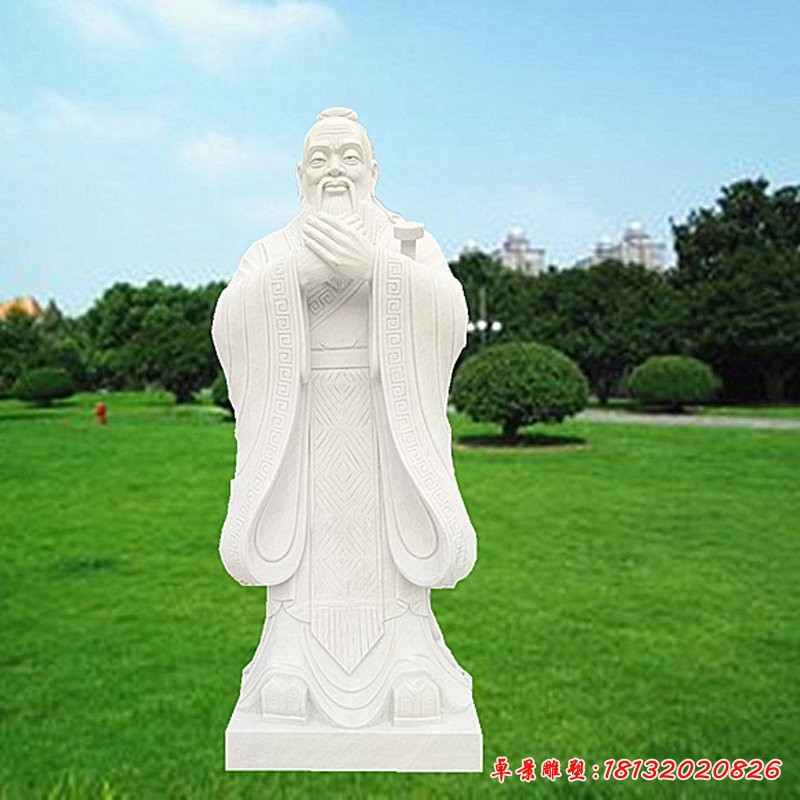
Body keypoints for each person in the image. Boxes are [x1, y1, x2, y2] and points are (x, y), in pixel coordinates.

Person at [212, 108, 477, 728]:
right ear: (299, 175)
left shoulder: (410, 244)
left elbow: (452, 317)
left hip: (386, 424)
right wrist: (292, 279)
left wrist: (379, 271)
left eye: (349, 157)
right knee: (306, 538)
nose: (335, 170)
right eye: (320, 159)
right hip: (301, 427)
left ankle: (408, 655)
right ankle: (289, 655)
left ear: (373, 172)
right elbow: (229, 324)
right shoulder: (271, 252)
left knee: (388, 537)